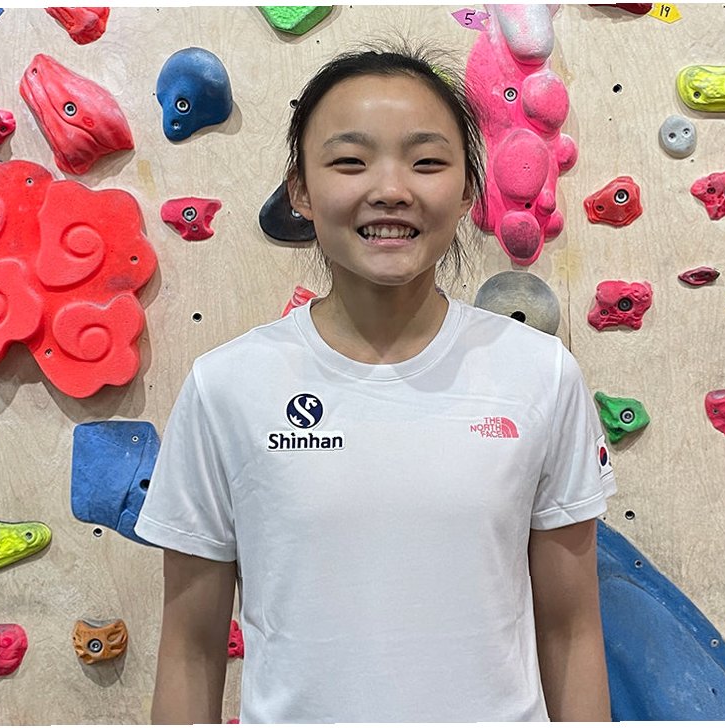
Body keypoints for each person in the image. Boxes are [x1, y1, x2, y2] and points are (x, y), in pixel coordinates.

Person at [135, 39, 616, 723]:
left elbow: (571, 632)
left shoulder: (541, 374)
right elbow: (190, 648)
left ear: (467, 190)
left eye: (427, 162)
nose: (390, 189)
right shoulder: (227, 387)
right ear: (301, 190)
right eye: (350, 162)